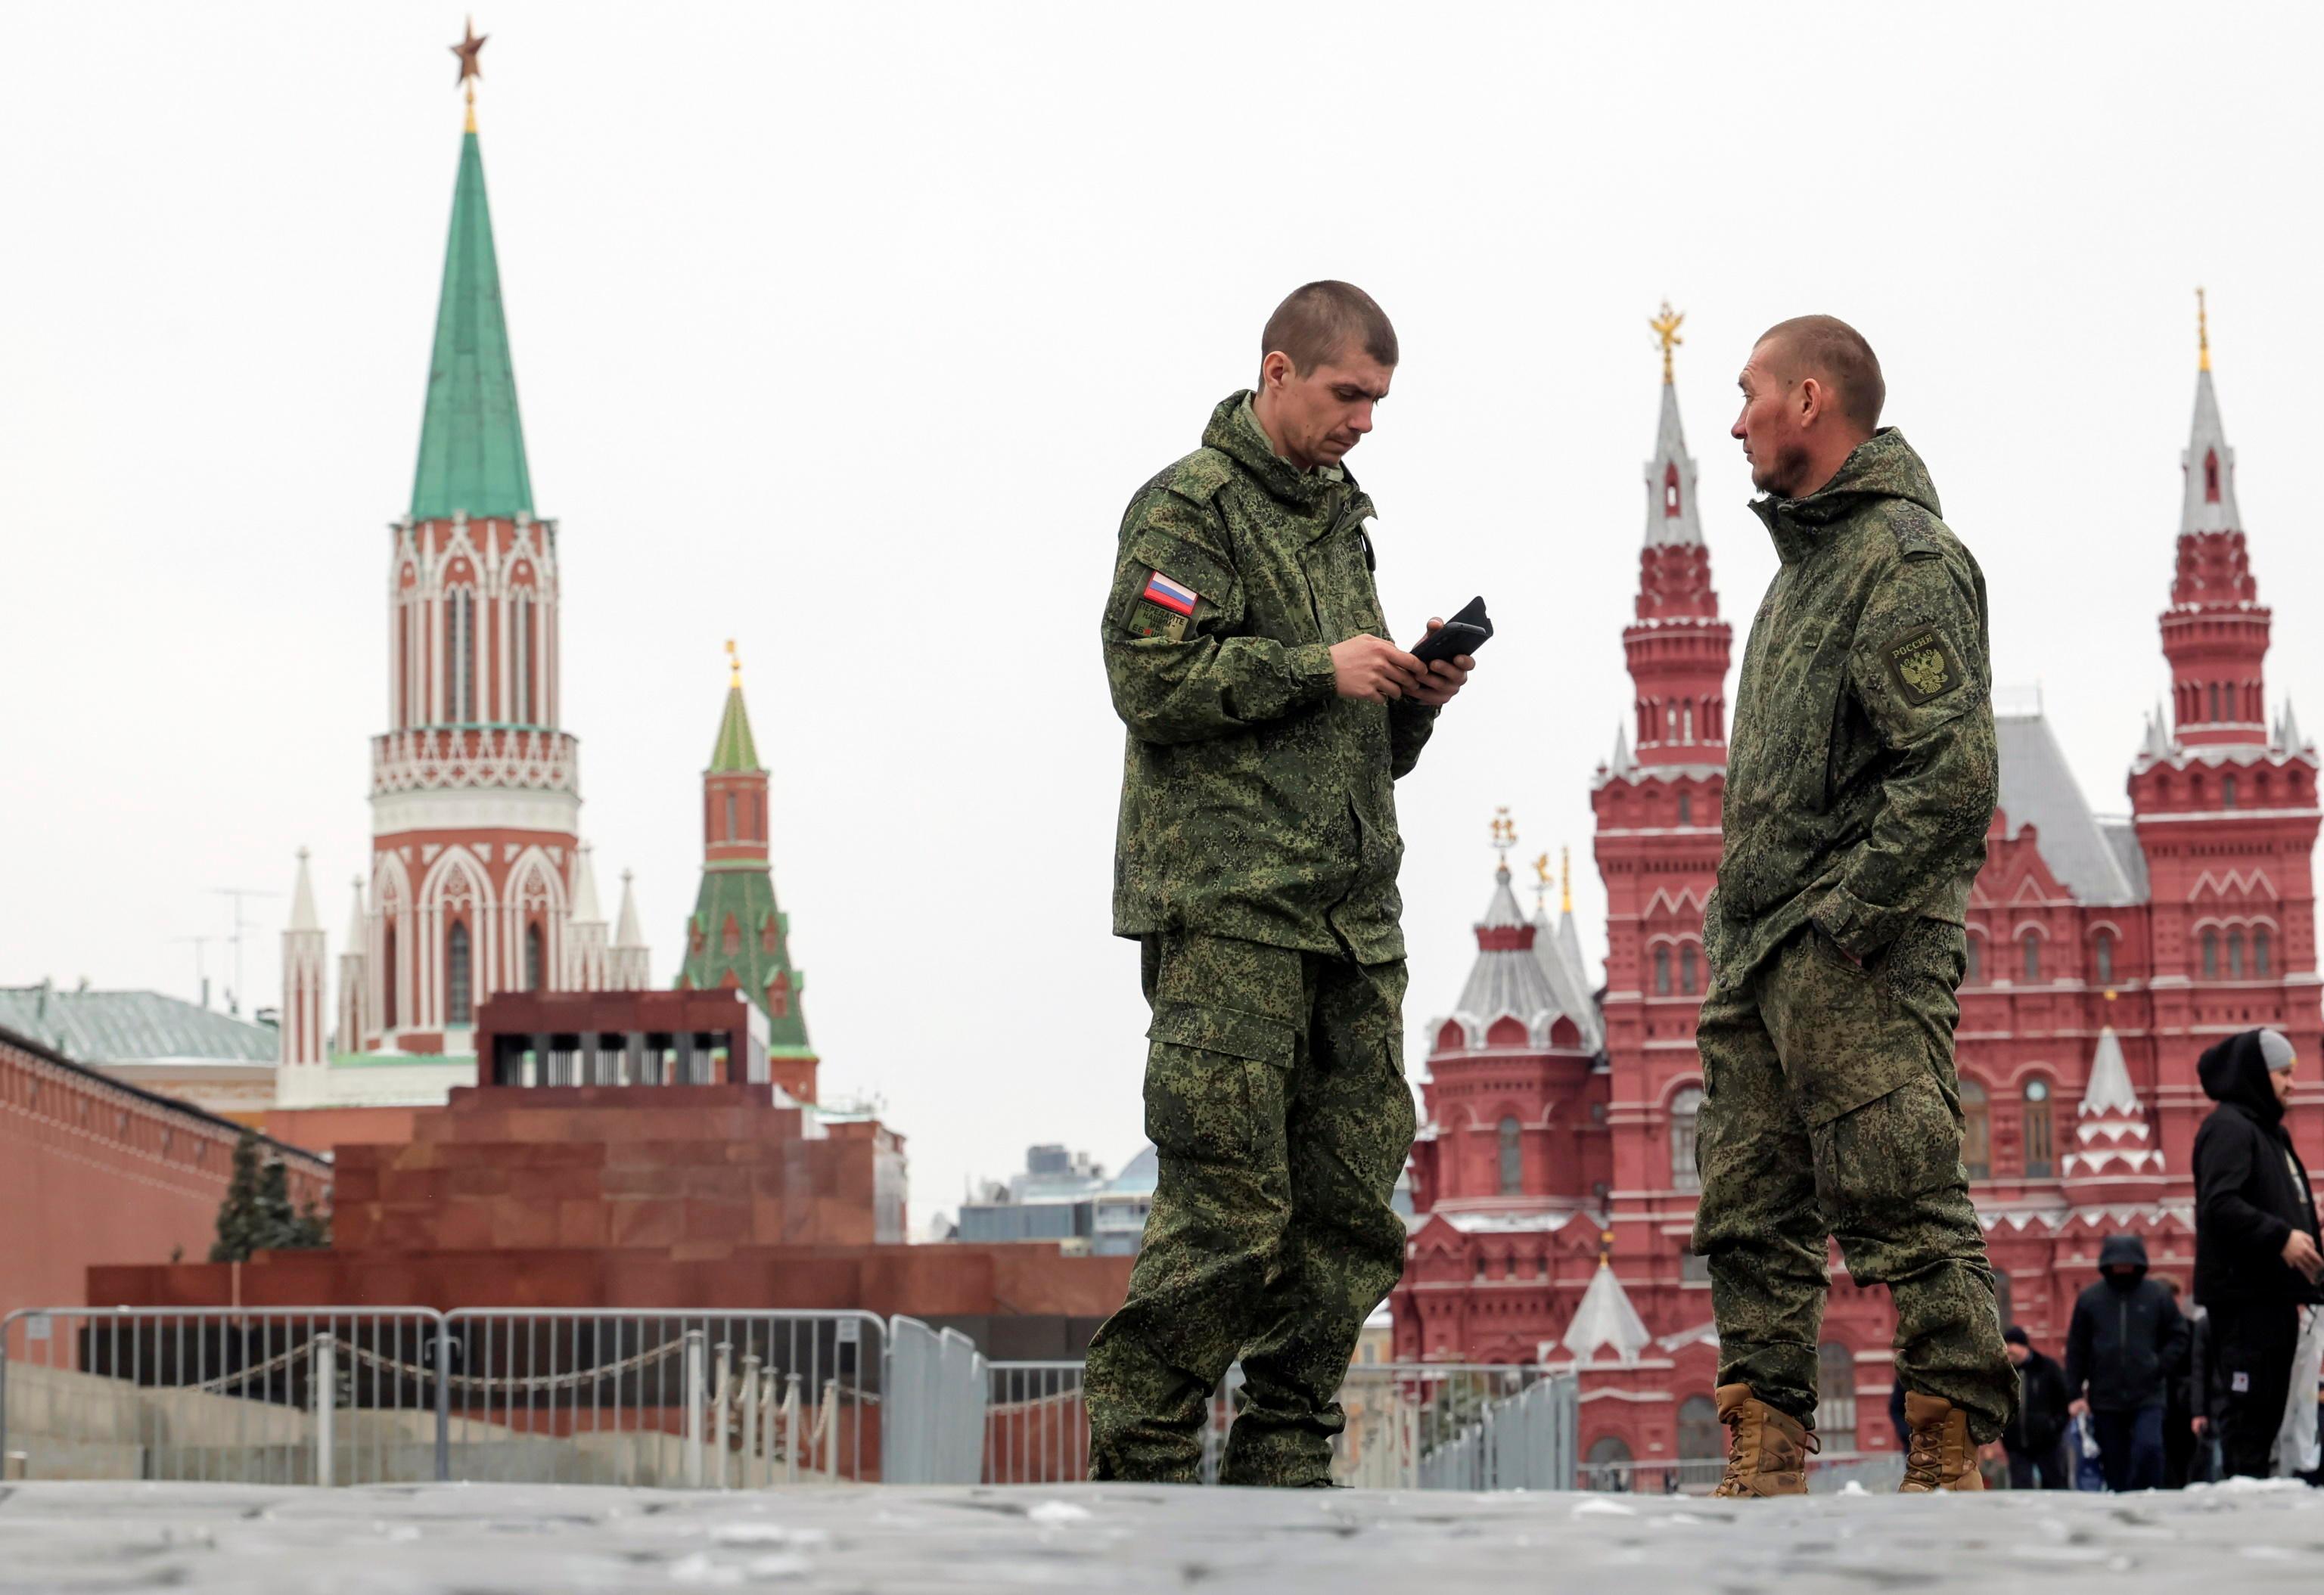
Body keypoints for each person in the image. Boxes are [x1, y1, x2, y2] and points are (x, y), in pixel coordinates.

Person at [1083, 282, 1475, 1486]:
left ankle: (1288, 1459)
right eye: (1349, 394)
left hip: (1351, 923)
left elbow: (1344, 736)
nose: (1365, 421)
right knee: (1228, 1212)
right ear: (1277, 372)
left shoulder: (1340, 521)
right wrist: (1319, 667)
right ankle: (1142, 1460)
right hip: (1232, 917)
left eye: (1379, 402)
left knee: (1353, 1209)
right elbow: (1150, 677)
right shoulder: (1188, 507)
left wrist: (1406, 702)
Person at [1691, 315, 2012, 1497]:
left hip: (1853, 953)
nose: (1736, 421)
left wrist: (1849, 922)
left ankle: (1947, 1442)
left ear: (1811, 401)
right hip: (1762, 954)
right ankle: (1763, 1448)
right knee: (1750, 1211)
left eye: (1751, 395)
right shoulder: (1802, 577)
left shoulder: (1903, 559)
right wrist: (1758, 941)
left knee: (1902, 1186)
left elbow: (1953, 772)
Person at [2191, 1027, 2323, 1479]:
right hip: (2246, 1300)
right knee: (2248, 1423)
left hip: (2272, 1298)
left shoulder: (2264, 1131)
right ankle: (2241, 1520)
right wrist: (2282, 1236)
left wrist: (2304, 1221)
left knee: (2267, 1420)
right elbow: (2220, 1204)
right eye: (2283, 1072)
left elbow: (2257, 1201)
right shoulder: (2228, 1127)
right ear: (2255, 1074)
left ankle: (2256, 1511)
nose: (2293, 1082)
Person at [2064, 1233, 2189, 1491]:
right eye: (2116, 1263)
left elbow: (2179, 1335)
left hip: (2148, 1393)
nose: (2122, 1268)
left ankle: (2148, 1497)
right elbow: (2077, 1349)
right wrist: (2074, 1393)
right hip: (2105, 1396)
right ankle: (2121, 1511)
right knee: (2114, 1463)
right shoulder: (2090, 1299)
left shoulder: (2157, 1296)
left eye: (2127, 1263)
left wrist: (2159, 1365)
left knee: (2149, 1449)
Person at [2000, 1326, 2073, 1489]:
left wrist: (2054, 1427)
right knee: (2020, 1493)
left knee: (2056, 1490)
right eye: (2006, 1344)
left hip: (2048, 1444)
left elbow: (2064, 1401)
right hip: (2016, 1445)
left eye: (2012, 1344)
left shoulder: (2048, 1368)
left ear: (2024, 1346)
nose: (2008, 1348)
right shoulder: (2004, 1374)